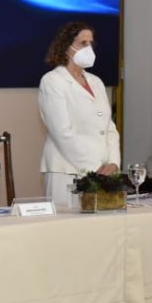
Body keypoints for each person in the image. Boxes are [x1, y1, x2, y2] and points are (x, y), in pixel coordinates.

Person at [38, 21, 120, 209]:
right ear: (66, 46)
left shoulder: (96, 82)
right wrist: (94, 168)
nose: (89, 48)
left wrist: (113, 163)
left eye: (91, 43)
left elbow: (109, 127)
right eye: (83, 43)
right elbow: (62, 132)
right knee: (67, 233)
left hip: (103, 174)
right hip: (67, 173)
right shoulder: (53, 81)